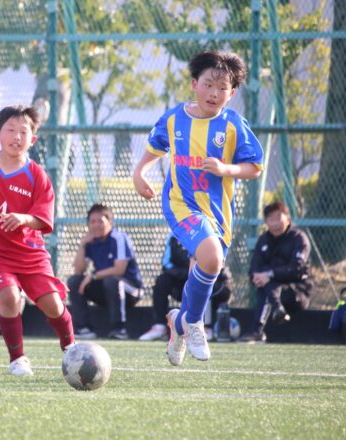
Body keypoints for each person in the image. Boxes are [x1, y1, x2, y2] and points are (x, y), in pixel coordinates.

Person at [132, 50, 263, 366]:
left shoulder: (233, 125)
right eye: (208, 84)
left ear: (232, 93)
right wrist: (139, 173)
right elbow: (155, 147)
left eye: (222, 88)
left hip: (217, 213)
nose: (214, 93)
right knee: (212, 257)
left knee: (207, 267)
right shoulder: (175, 118)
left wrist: (225, 169)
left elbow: (254, 166)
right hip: (181, 205)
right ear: (194, 84)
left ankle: (178, 323)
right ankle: (194, 323)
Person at [0, 105, 75, 377]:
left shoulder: (37, 175)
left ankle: (71, 348)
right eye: (11, 130)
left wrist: (23, 218)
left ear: (33, 139)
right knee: (10, 297)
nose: (17, 137)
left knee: (53, 305)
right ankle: (17, 359)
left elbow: (43, 219)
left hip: (31, 255)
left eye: (23, 132)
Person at [67, 203, 144, 340]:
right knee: (74, 282)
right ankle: (84, 329)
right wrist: (82, 245)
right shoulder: (91, 241)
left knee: (112, 281)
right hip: (106, 288)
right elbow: (78, 270)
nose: (96, 225)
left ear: (109, 222)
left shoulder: (119, 238)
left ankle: (119, 330)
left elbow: (119, 270)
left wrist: (93, 275)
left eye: (100, 221)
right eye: (92, 222)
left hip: (131, 290)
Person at [240, 201, 313, 342]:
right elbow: (254, 269)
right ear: (266, 222)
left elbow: (296, 269)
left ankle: (257, 331)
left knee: (268, 283)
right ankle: (277, 307)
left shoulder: (299, 238)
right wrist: (258, 277)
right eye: (270, 219)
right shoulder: (263, 240)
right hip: (272, 291)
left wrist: (270, 275)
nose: (274, 223)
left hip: (297, 292)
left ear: (288, 218)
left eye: (278, 218)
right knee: (267, 282)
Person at [139, 232, 232, 341]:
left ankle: (204, 327)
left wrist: (199, 275)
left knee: (203, 283)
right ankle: (160, 326)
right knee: (162, 281)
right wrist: (187, 274)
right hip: (182, 280)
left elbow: (218, 265)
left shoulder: (212, 233)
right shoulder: (175, 234)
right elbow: (166, 264)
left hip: (212, 281)